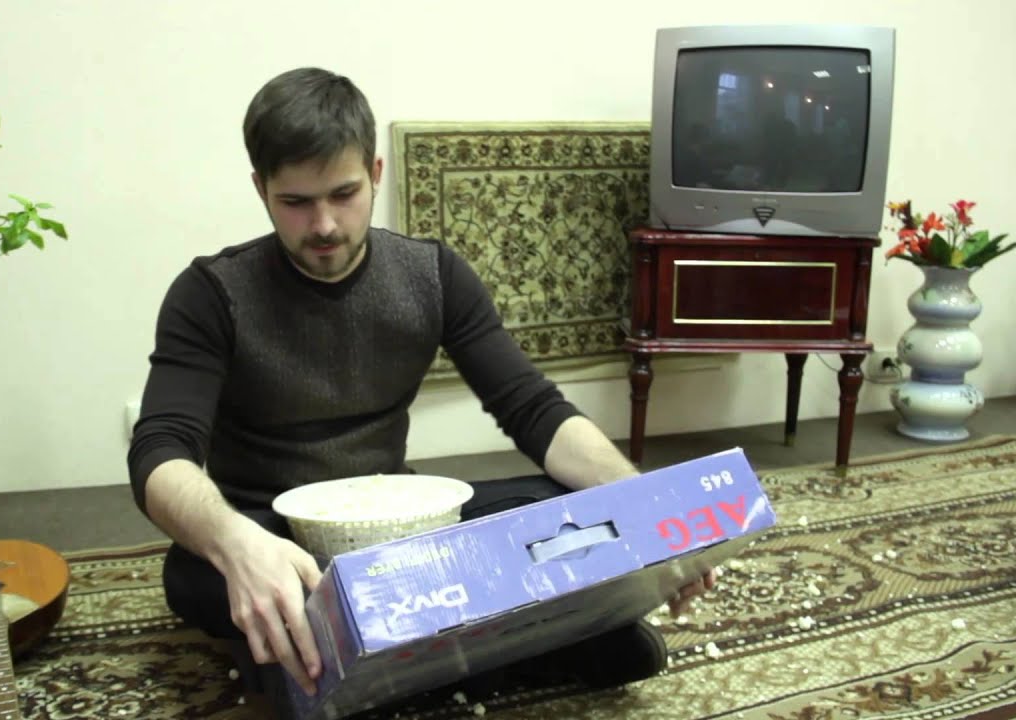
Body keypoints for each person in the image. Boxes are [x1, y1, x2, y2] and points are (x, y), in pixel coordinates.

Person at [127, 67, 715, 715]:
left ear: (375, 172)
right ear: (260, 189)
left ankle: (366, 663)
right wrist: (237, 545)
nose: (324, 224)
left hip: (397, 532)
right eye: (295, 202)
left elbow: (533, 409)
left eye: (344, 193)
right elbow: (160, 451)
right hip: (275, 535)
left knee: (559, 504)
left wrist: (644, 506)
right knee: (191, 570)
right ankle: (521, 647)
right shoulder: (210, 294)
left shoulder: (432, 275)